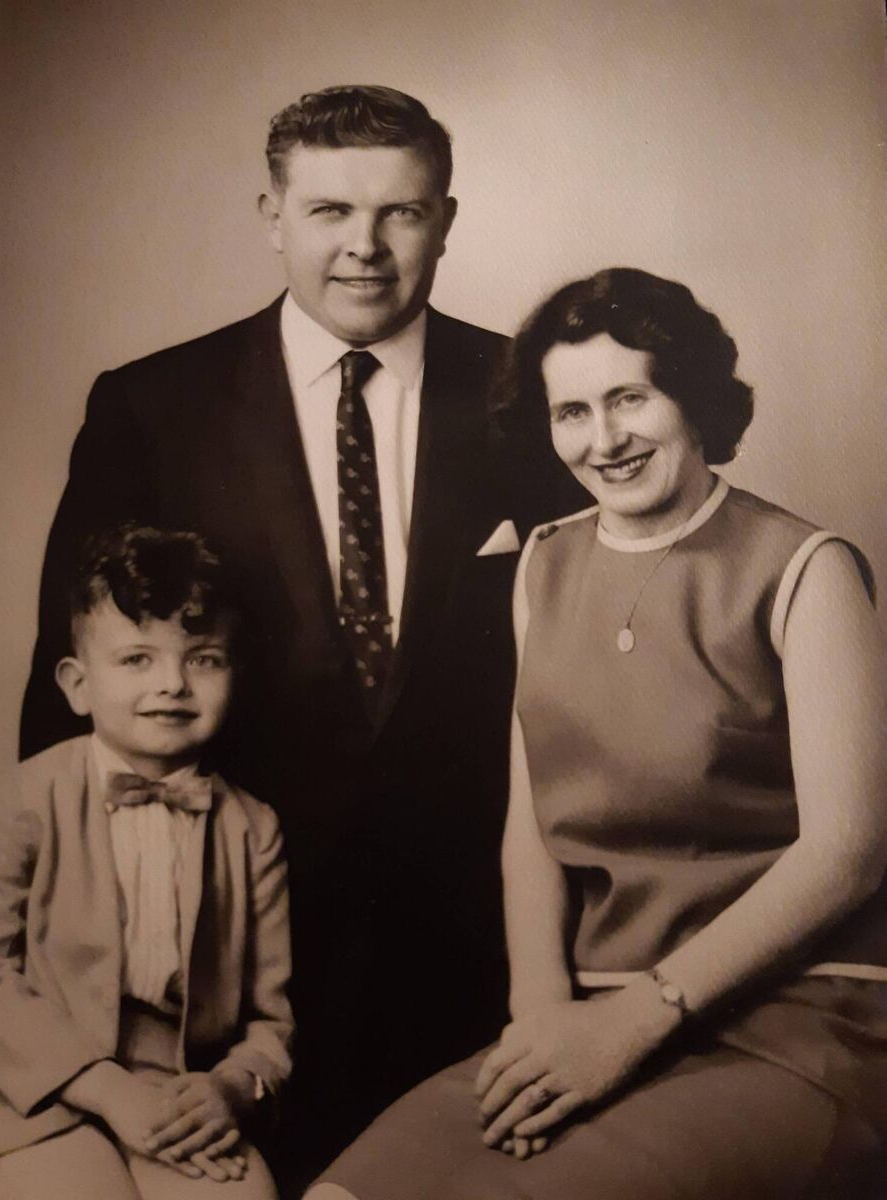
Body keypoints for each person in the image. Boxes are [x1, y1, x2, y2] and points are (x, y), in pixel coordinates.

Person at [18, 85, 582, 1187]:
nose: (365, 248)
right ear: (271, 214)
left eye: (401, 214)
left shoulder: (533, 398)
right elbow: (65, 699)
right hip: (209, 950)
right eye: (329, 212)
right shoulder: (152, 405)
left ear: (448, 219)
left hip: (477, 939)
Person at [305, 268, 887, 1200]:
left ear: (694, 399)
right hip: (596, 1007)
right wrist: (539, 1013)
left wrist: (634, 1025)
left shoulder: (806, 570)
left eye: (630, 398)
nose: (603, 439)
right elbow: (532, 821)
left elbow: (848, 855)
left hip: (796, 1017)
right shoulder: (545, 562)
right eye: (571, 411)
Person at [0, 524, 292, 1199]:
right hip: (28, 1084)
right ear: (77, 684)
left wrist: (231, 1088)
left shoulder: (253, 828)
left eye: (204, 658)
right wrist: (102, 1089)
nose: (173, 684)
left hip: (172, 1091)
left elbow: (270, 1019)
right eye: (136, 660)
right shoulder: (23, 798)